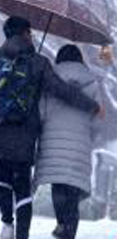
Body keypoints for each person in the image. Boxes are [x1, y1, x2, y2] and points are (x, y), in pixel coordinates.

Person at [0, 16, 103, 239]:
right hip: (23, 136)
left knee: (3, 180)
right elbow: (61, 91)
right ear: (26, 34)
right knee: (22, 188)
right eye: (30, 32)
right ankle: (22, 235)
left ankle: (7, 224)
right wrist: (92, 105)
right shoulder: (39, 63)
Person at [35, 44, 102, 239]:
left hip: (52, 143)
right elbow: (98, 119)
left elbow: (40, 112)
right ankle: (69, 231)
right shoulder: (92, 83)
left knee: (59, 185)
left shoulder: (49, 80)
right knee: (72, 189)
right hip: (80, 145)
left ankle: (62, 224)